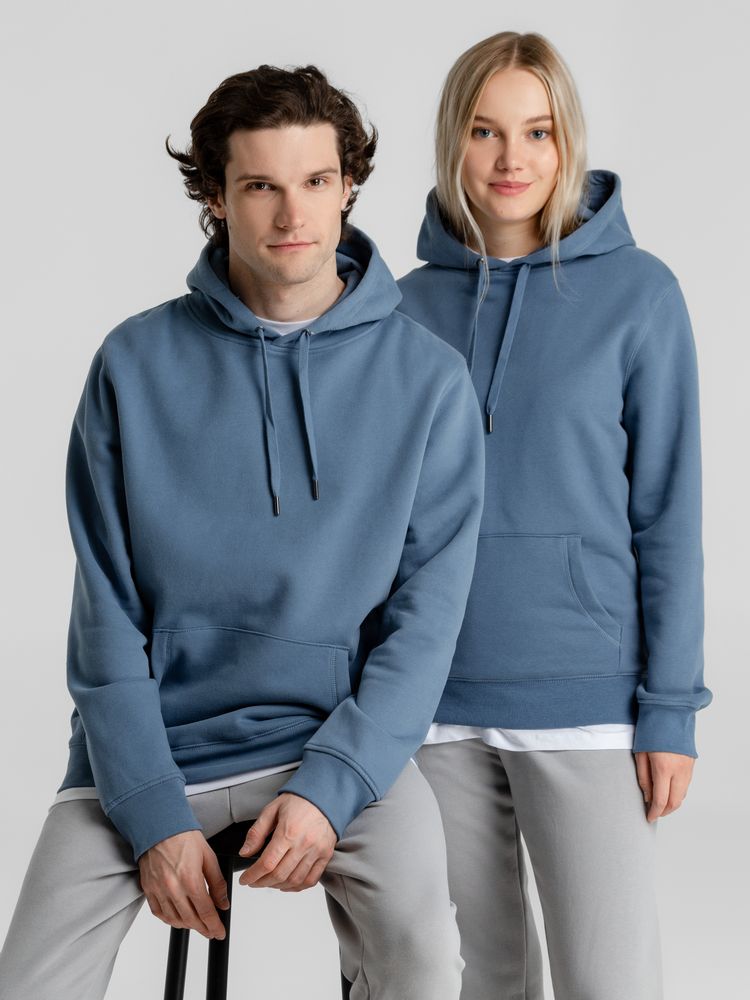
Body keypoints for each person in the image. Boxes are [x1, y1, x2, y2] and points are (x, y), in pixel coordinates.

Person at [0, 64, 485, 1000]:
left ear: (349, 186)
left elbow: (424, 629)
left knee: (426, 961)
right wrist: (150, 811)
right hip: (146, 752)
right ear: (215, 198)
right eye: (260, 185)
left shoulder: (429, 382)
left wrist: (331, 788)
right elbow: (105, 620)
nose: (292, 214)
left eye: (315, 181)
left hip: (333, 745)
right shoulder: (133, 364)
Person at [397, 31, 712, 1000]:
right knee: (476, 981)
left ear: (567, 139)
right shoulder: (401, 310)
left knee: (608, 982)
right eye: (485, 130)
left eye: (536, 131)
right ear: (453, 140)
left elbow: (668, 512)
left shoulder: (640, 294)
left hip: (586, 704)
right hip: (430, 707)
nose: (511, 159)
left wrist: (670, 707)